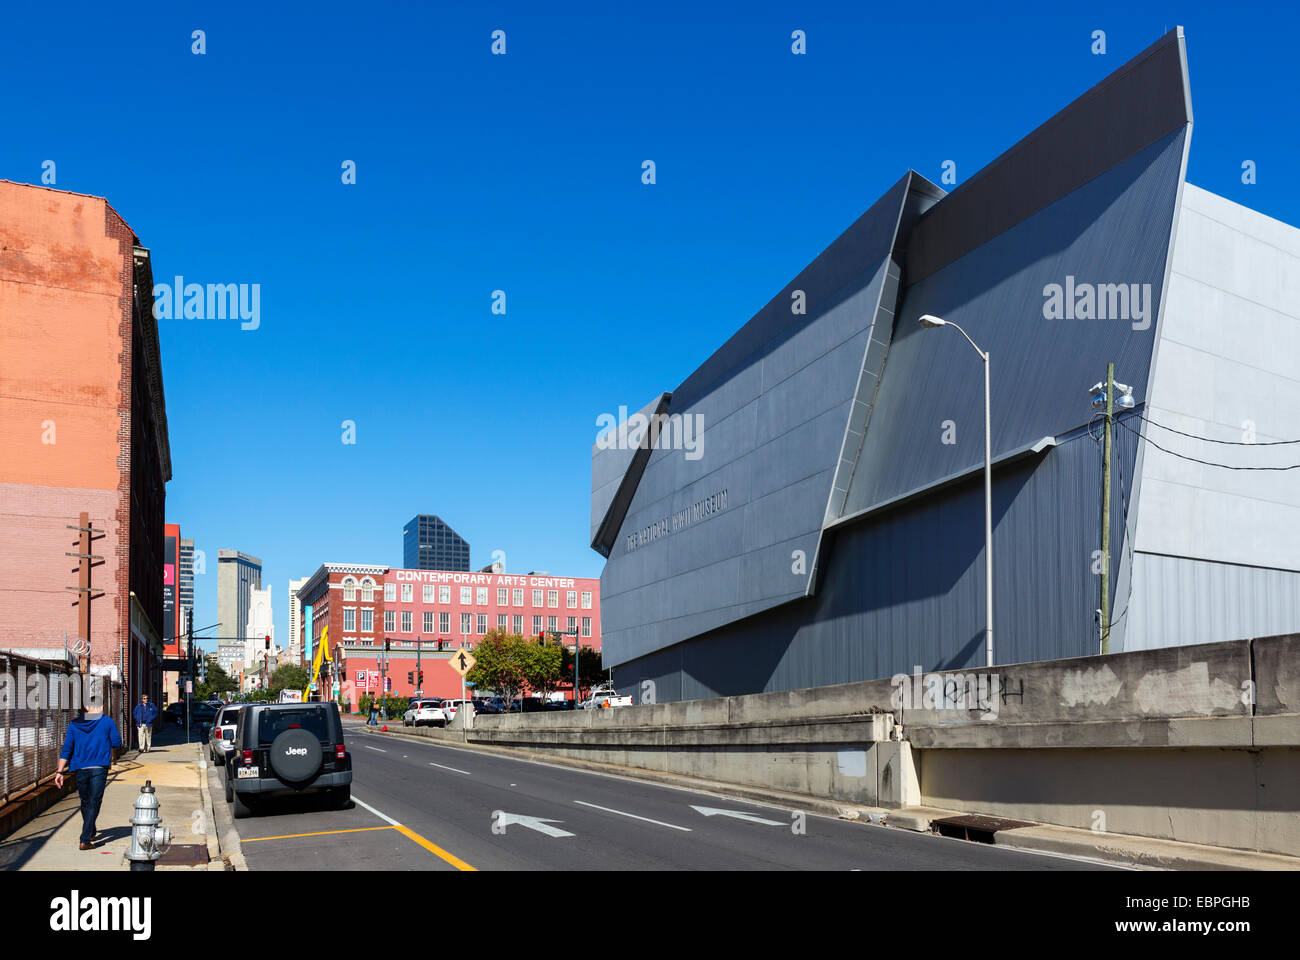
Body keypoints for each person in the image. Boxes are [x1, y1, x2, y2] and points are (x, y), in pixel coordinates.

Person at [54, 706, 122, 850]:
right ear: (100, 707)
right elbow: (117, 743)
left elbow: (67, 748)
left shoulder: (74, 724)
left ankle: (90, 830)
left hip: (80, 768)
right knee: (94, 802)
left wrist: (59, 772)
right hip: (99, 767)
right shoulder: (107, 721)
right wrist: (103, 742)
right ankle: (85, 839)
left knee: (85, 801)